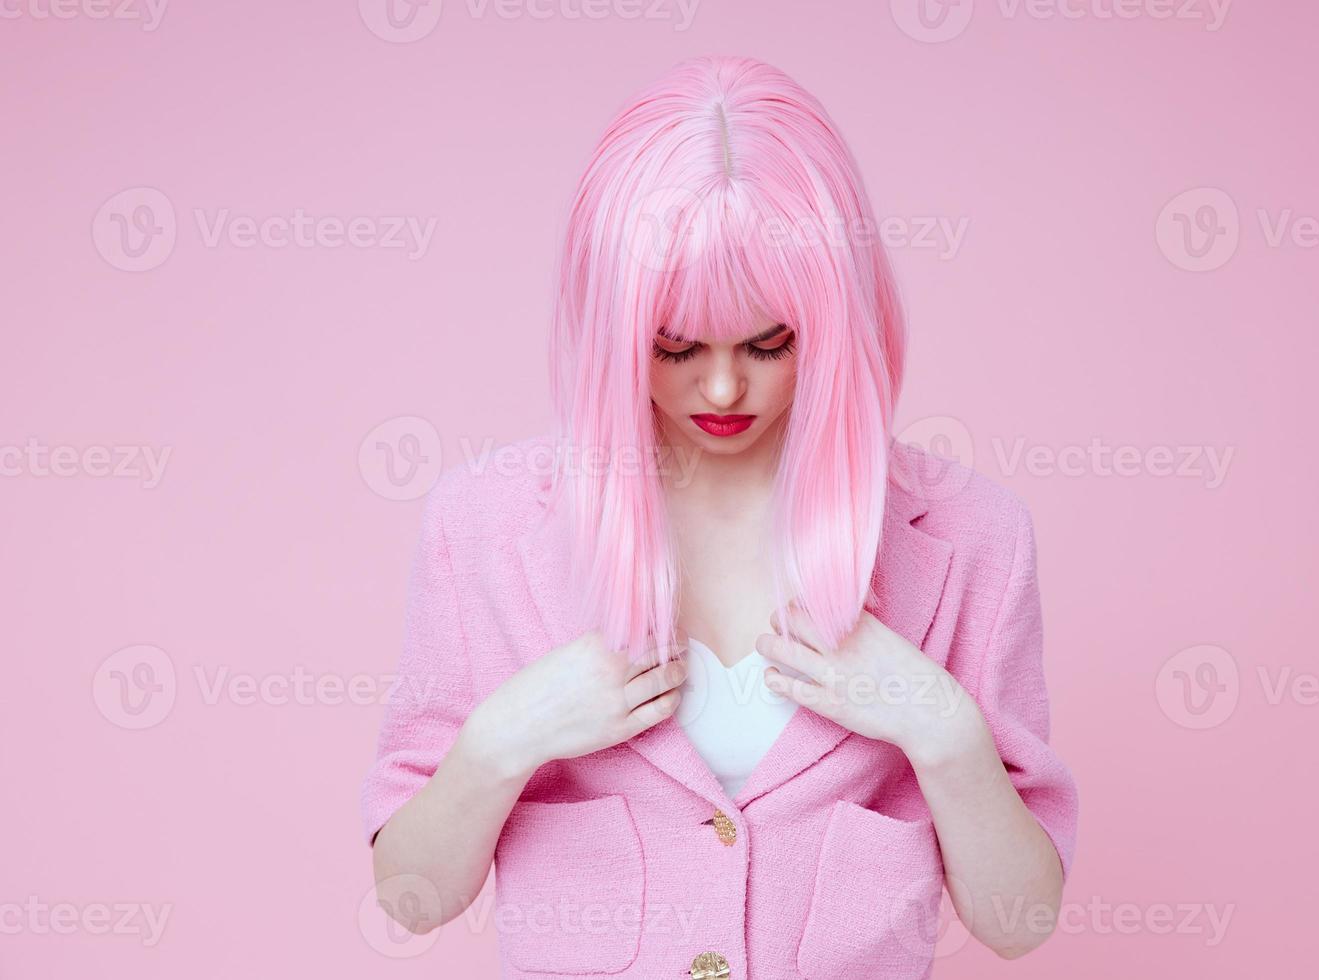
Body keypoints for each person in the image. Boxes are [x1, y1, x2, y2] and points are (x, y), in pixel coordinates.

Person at [361, 53, 1078, 979]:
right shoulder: (483, 527)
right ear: (612, 324)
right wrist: (504, 741)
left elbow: (1018, 922)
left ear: (837, 318)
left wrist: (942, 728)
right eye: (675, 346)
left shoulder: (973, 537)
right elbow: (410, 897)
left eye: (770, 343)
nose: (725, 385)